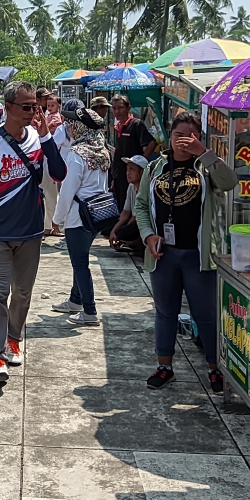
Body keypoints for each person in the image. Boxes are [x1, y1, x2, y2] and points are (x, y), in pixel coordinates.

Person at [0, 80, 66, 384]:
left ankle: (13, 340)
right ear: (7, 108)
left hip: (31, 232)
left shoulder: (38, 138)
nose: (32, 111)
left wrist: (47, 135)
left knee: (22, 292)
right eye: (26, 106)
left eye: (35, 105)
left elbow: (59, 173)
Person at [135, 112, 238, 394]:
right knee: (165, 312)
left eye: (189, 135)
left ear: (199, 137)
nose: (183, 140)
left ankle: (215, 368)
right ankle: (164, 367)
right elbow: (142, 206)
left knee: (205, 314)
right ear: (170, 137)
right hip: (164, 254)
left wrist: (204, 153)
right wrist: (148, 236)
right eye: (178, 134)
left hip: (198, 254)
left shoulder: (205, 167)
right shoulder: (155, 168)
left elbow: (229, 183)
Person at [50, 103, 111, 325]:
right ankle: (75, 300)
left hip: (78, 216)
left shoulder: (77, 155)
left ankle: (90, 311)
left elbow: (67, 191)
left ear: (79, 127)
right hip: (97, 215)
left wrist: (57, 220)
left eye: (71, 123)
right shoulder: (101, 151)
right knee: (81, 259)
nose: (68, 127)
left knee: (80, 264)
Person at [109, 95, 155, 211]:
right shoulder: (118, 126)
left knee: (130, 209)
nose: (117, 111)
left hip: (131, 177)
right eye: (114, 108)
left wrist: (140, 164)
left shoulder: (136, 124)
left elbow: (151, 143)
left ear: (128, 108)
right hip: (119, 176)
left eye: (120, 108)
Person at [108, 155, 147, 256]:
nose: (128, 173)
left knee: (126, 231)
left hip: (143, 222)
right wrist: (114, 230)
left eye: (132, 169)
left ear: (142, 172)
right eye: (127, 169)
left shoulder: (147, 188)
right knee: (109, 228)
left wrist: (122, 231)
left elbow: (137, 215)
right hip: (135, 221)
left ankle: (137, 244)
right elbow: (126, 211)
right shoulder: (131, 187)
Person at [41, 90, 64, 234]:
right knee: (48, 194)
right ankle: (48, 225)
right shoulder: (47, 116)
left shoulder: (56, 119)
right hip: (46, 159)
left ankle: (51, 225)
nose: (50, 108)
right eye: (48, 105)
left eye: (52, 105)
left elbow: (47, 129)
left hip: (52, 159)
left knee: (51, 194)